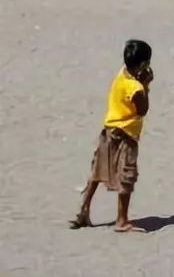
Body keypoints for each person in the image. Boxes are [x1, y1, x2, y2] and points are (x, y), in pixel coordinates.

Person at [69, 39, 154, 232]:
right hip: (126, 134)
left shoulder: (122, 73)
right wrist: (146, 85)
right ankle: (121, 220)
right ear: (142, 65)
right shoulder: (136, 89)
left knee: (99, 169)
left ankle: (84, 208)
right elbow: (142, 110)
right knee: (127, 175)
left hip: (108, 129)